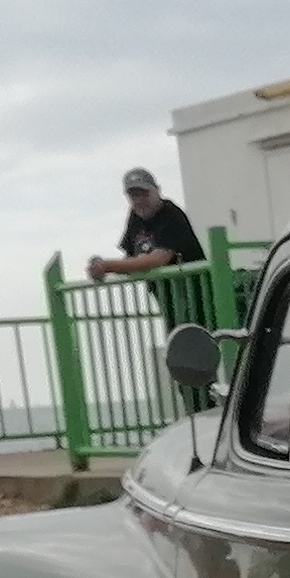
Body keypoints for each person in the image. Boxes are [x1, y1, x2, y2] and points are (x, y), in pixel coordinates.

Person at [90, 167, 219, 410]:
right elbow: (133, 258)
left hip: (196, 299)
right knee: (183, 367)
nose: (139, 200)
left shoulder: (171, 215)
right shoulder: (135, 218)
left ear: (157, 191)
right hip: (169, 303)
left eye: (143, 193)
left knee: (196, 363)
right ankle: (198, 414)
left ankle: (209, 415)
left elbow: (158, 259)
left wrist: (107, 266)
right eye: (133, 195)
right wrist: (104, 267)